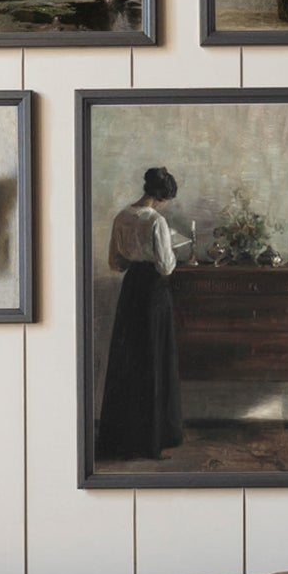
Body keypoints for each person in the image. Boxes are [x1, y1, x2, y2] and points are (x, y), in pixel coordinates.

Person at [96, 166, 183, 460]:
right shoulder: (156, 221)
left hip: (131, 289)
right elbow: (167, 266)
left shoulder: (121, 217)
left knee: (129, 359)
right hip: (153, 293)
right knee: (153, 358)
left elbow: (115, 263)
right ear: (161, 197)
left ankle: (122, 437)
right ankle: (152, 439)